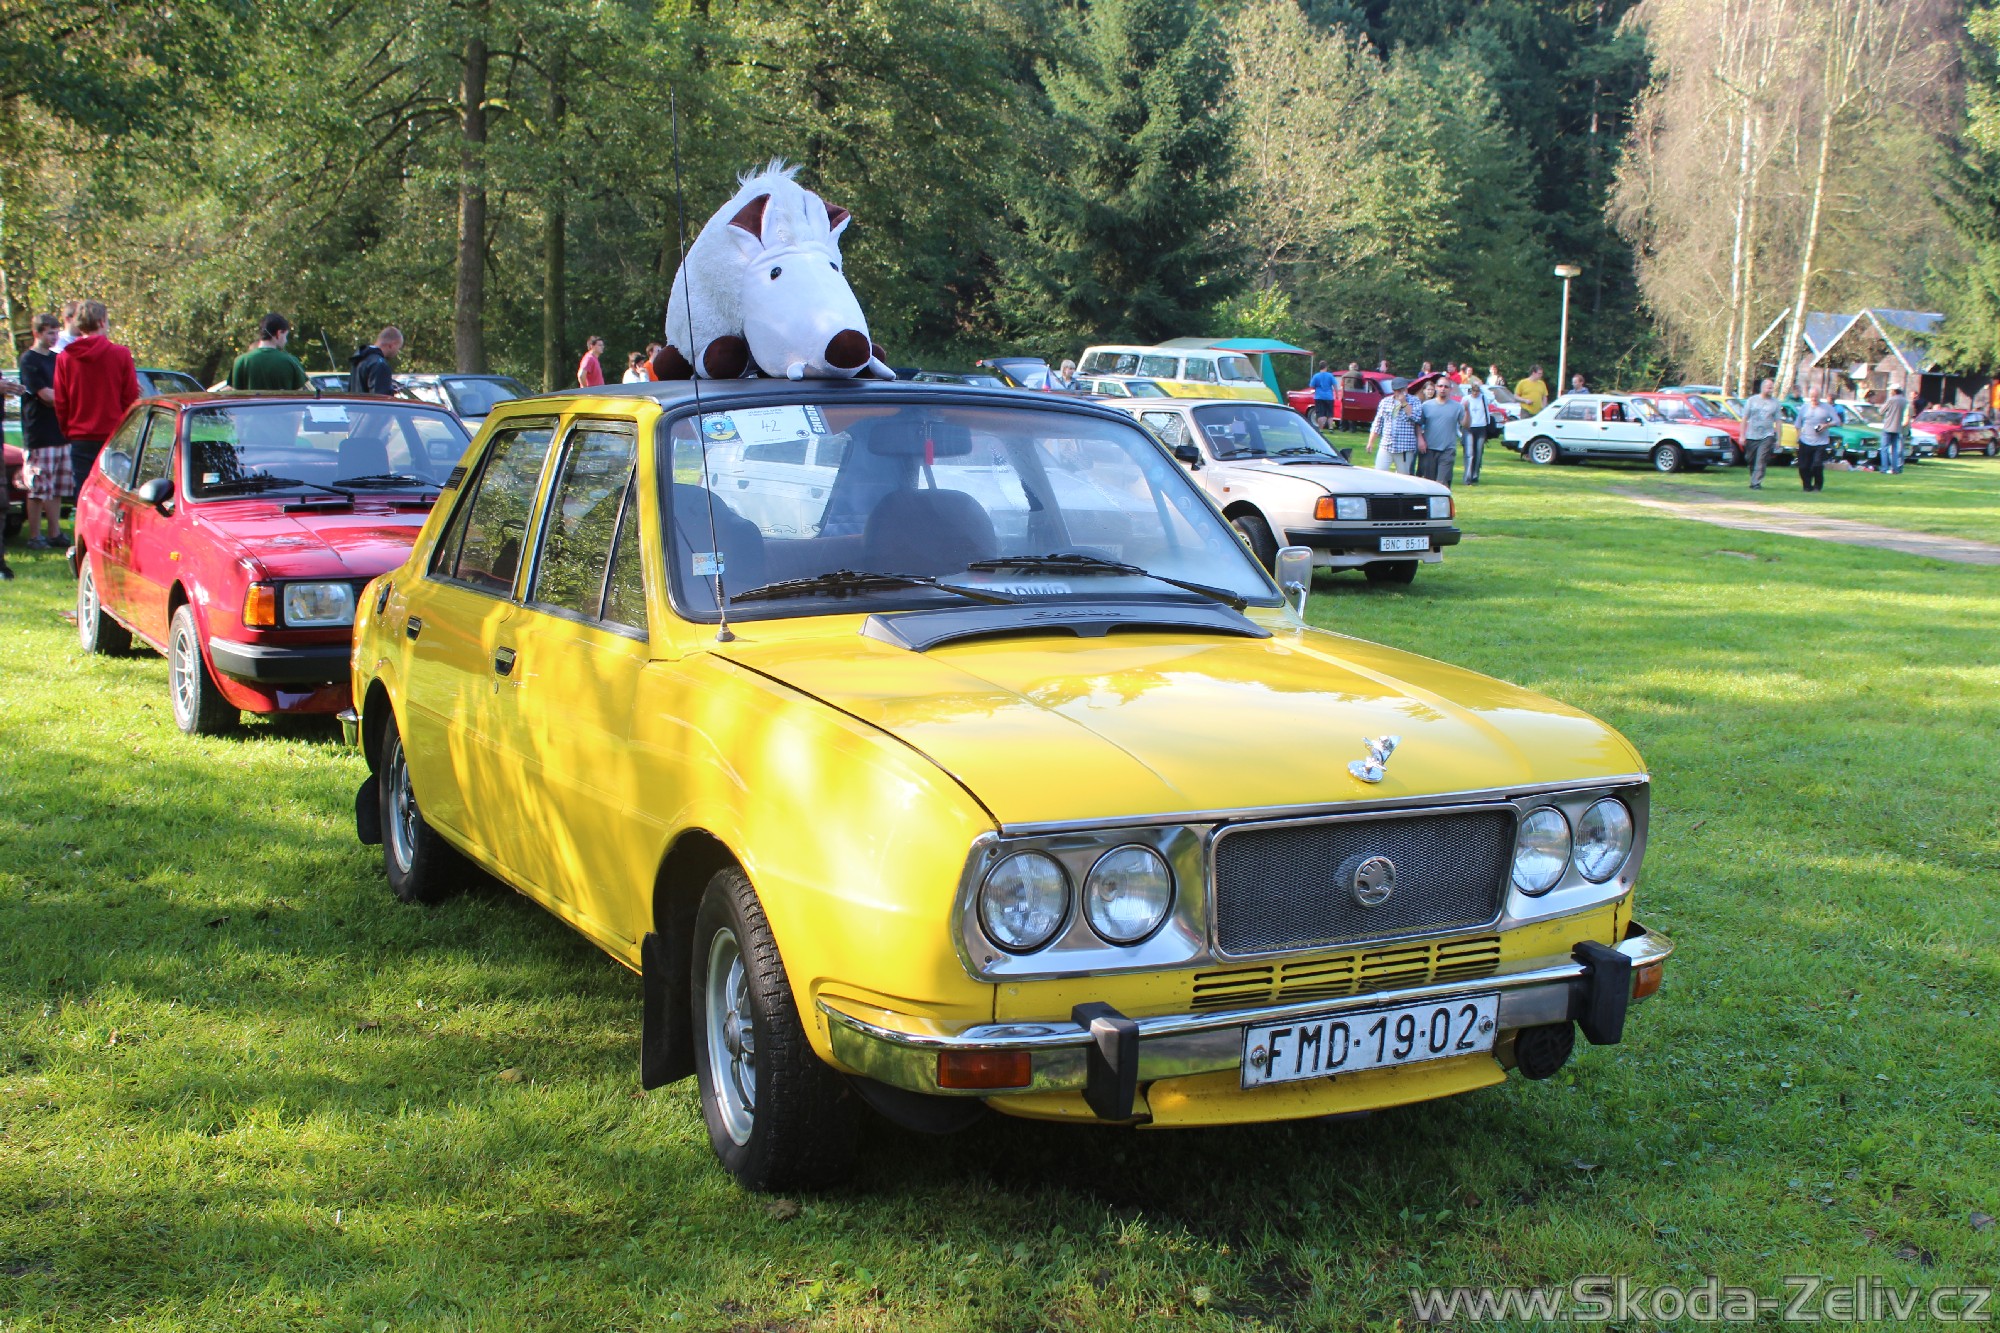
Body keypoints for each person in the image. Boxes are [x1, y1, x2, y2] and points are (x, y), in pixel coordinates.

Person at [53, 300, 139, 491]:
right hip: (114, 433)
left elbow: (61, 401)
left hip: (80, 436)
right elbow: (130, 397)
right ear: (101, 322)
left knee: (84, 491)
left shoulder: (65, 358)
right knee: (114, 492)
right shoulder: (120, 354)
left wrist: (68, 430)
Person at [19, 314, 69, 549]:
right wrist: (67, 399)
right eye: (50, 332)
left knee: (58, 486)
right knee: (38, 487)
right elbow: (46, 395)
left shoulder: (58, 359)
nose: (54, 337)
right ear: (37, 333)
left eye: (57, 332)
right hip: (39, 432)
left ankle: (54, 533)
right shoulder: (29, 360)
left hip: (60, 430)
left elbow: (66, 389)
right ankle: (34, 535)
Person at [226, 313, 309, 391]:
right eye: (285, 335)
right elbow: (299, 394)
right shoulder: (292, 361)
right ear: (279, 333)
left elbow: (236, 394)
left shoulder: (240, 361)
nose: (286, 340)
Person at [1367, 381, 1421, 473]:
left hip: (1404, 448)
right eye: (1397, 390)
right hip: (1386, 445)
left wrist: (1404, 403)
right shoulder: (1385, 402)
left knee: (1403, 477)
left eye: (1402, 390)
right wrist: (1370, 442)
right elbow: (1377, 423)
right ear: (1393, 390)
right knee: (1379, 473)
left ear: (1406, 389)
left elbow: (1416, 417)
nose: (1400, 393)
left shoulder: (1414, 401)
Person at [1739, 378, 1783, 489]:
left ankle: (1756, 483)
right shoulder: (1752, 400)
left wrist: (1778, 439)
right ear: (1762, 388)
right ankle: (1753, 478)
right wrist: (1742, 435)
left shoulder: (1775, 403)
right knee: (1750, 459)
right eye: (1769, 387)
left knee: (1761, 459)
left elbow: (1778, 421)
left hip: (1767, 435)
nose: (1771, 390)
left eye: (1772, 388)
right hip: (1752, 435)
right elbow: (1744, 418)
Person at [1794, 389, 1839, 492]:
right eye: (1812, 396)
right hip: (1805, 440)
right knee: (1803, 466)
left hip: (1821, 442)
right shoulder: (1804, 407)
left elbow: (1837, 421)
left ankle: (1817, 486)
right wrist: (1799, 436)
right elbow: (1798, 424)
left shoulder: (1827, 408)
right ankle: (1807, 486)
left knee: (1816, 465)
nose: (1814, 398)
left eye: (1816, 396)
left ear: (1820, 396)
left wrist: (1825, 425)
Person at [1418, 380, 1460, 485]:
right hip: (1429, 449)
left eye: (1446, 386)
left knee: (1442, 482)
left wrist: (1467, 412)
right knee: (1429, 482)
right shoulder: (1426, 406)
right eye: (1440, 386)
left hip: (1448, 449)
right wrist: (1420, 439)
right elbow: (1418, 424)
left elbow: (1466, 424)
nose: (1443, 389)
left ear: (1450, 389)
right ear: (1436, 387)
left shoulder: (1457, 407)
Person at [348, 327, 404, 395]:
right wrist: (390, 393)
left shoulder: (359, 358)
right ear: (391, 345)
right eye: (398, 348)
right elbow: (380, 397)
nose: (397, 352)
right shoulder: (380, 364)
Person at [1459, 378, 1492, 484]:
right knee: (1469, 453)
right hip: (1469, 428)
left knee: (1478, 453)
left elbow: (1492, 397)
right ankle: (1467, 477)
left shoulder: (1483, 398)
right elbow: (1461, 414)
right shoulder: (1466, 399)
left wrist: (1482, 387)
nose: (1475, 393)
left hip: (1481, 427)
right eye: (1473, 390)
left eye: (1477, 391)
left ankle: (1475, 475)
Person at [1877, 384, 1908, 475]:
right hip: (1897, 427)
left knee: (1884, 448)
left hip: (1888, 426)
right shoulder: (1904, 401)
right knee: (1895, 449)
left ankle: (1884, 468)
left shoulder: (1891, 400)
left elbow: (1881, 411)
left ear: (1894, 391)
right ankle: (1895, 468)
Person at [1307, 363, 1336, 428]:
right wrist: (1336, 394)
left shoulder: (1316, 376)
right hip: (1329, 397)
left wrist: (1317, 387)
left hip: (1319, 396)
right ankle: (1331, 428)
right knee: (1330, 413)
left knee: (1320, 414)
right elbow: (1335, 385)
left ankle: (1321, 428)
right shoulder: (1330, 375)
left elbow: (1311, 386)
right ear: (1325, 367)